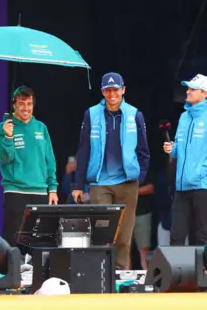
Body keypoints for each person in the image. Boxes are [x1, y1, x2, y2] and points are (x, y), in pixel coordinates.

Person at [72, 72, 150, 270]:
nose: (112, 94)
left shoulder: (135, 114)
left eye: (115, 89)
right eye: (108, 90)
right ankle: (100, 275)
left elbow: (144, 151)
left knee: (124, 236)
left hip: (127, 183)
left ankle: (119, 276)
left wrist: (138, 178)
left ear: (123, 90)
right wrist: (78, 185)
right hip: (100, 183)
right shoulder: (91, 114)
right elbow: (83, 150)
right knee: (102, 233)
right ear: (102, 91)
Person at [163, 74, 207, 246]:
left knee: (200, 237)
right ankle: (175, 273)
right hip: (181, 186)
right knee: (176, 236)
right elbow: (178, 148)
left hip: (203, 186)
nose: (188, 91)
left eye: (192, 89)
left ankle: (203, 273)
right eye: (188, 88)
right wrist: (172, 149)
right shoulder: (184, 117)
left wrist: (200, 172)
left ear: (205, 93)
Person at [0, 86, 58, 248]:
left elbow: (49, 160)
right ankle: (11, 272)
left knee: (39, 239)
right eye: (22, 104)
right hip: (15, 190)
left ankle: (35, 272)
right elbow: (4, 158)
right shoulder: (3, 127)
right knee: (12, 237)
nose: (26, 108)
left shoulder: (41, 128)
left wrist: (53, 188)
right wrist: (8, 137)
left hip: (40, 191)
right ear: (14, 105)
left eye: (29, 104)